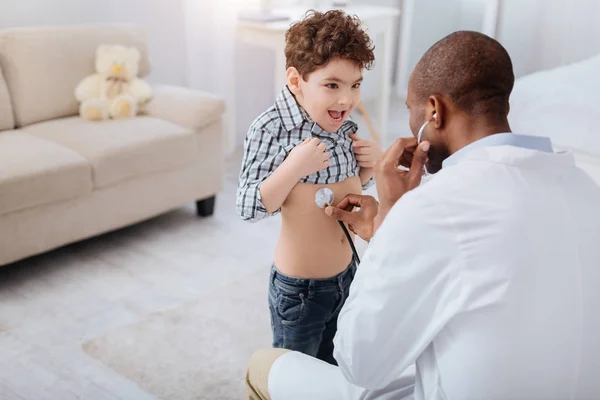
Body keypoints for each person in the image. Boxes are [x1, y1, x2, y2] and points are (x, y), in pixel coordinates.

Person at [244, 30, 600, 400]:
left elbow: (359, 361)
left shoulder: (435, 207)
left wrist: (395, 220)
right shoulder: (586, 188)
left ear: (434, 110)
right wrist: (392, 233)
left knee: (264, 366)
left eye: (411, 111)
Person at [236, 10, 382, 365]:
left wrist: (369, 168)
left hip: (347, 274)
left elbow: (342, 192)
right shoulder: (271, 128)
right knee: (296, 373)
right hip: (301, 291)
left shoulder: (342, 122)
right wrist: (293, 167)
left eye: (355, 85)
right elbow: (248, 206)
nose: (346, 100)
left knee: (335, 367)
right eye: (332, 85)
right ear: (296, 80)